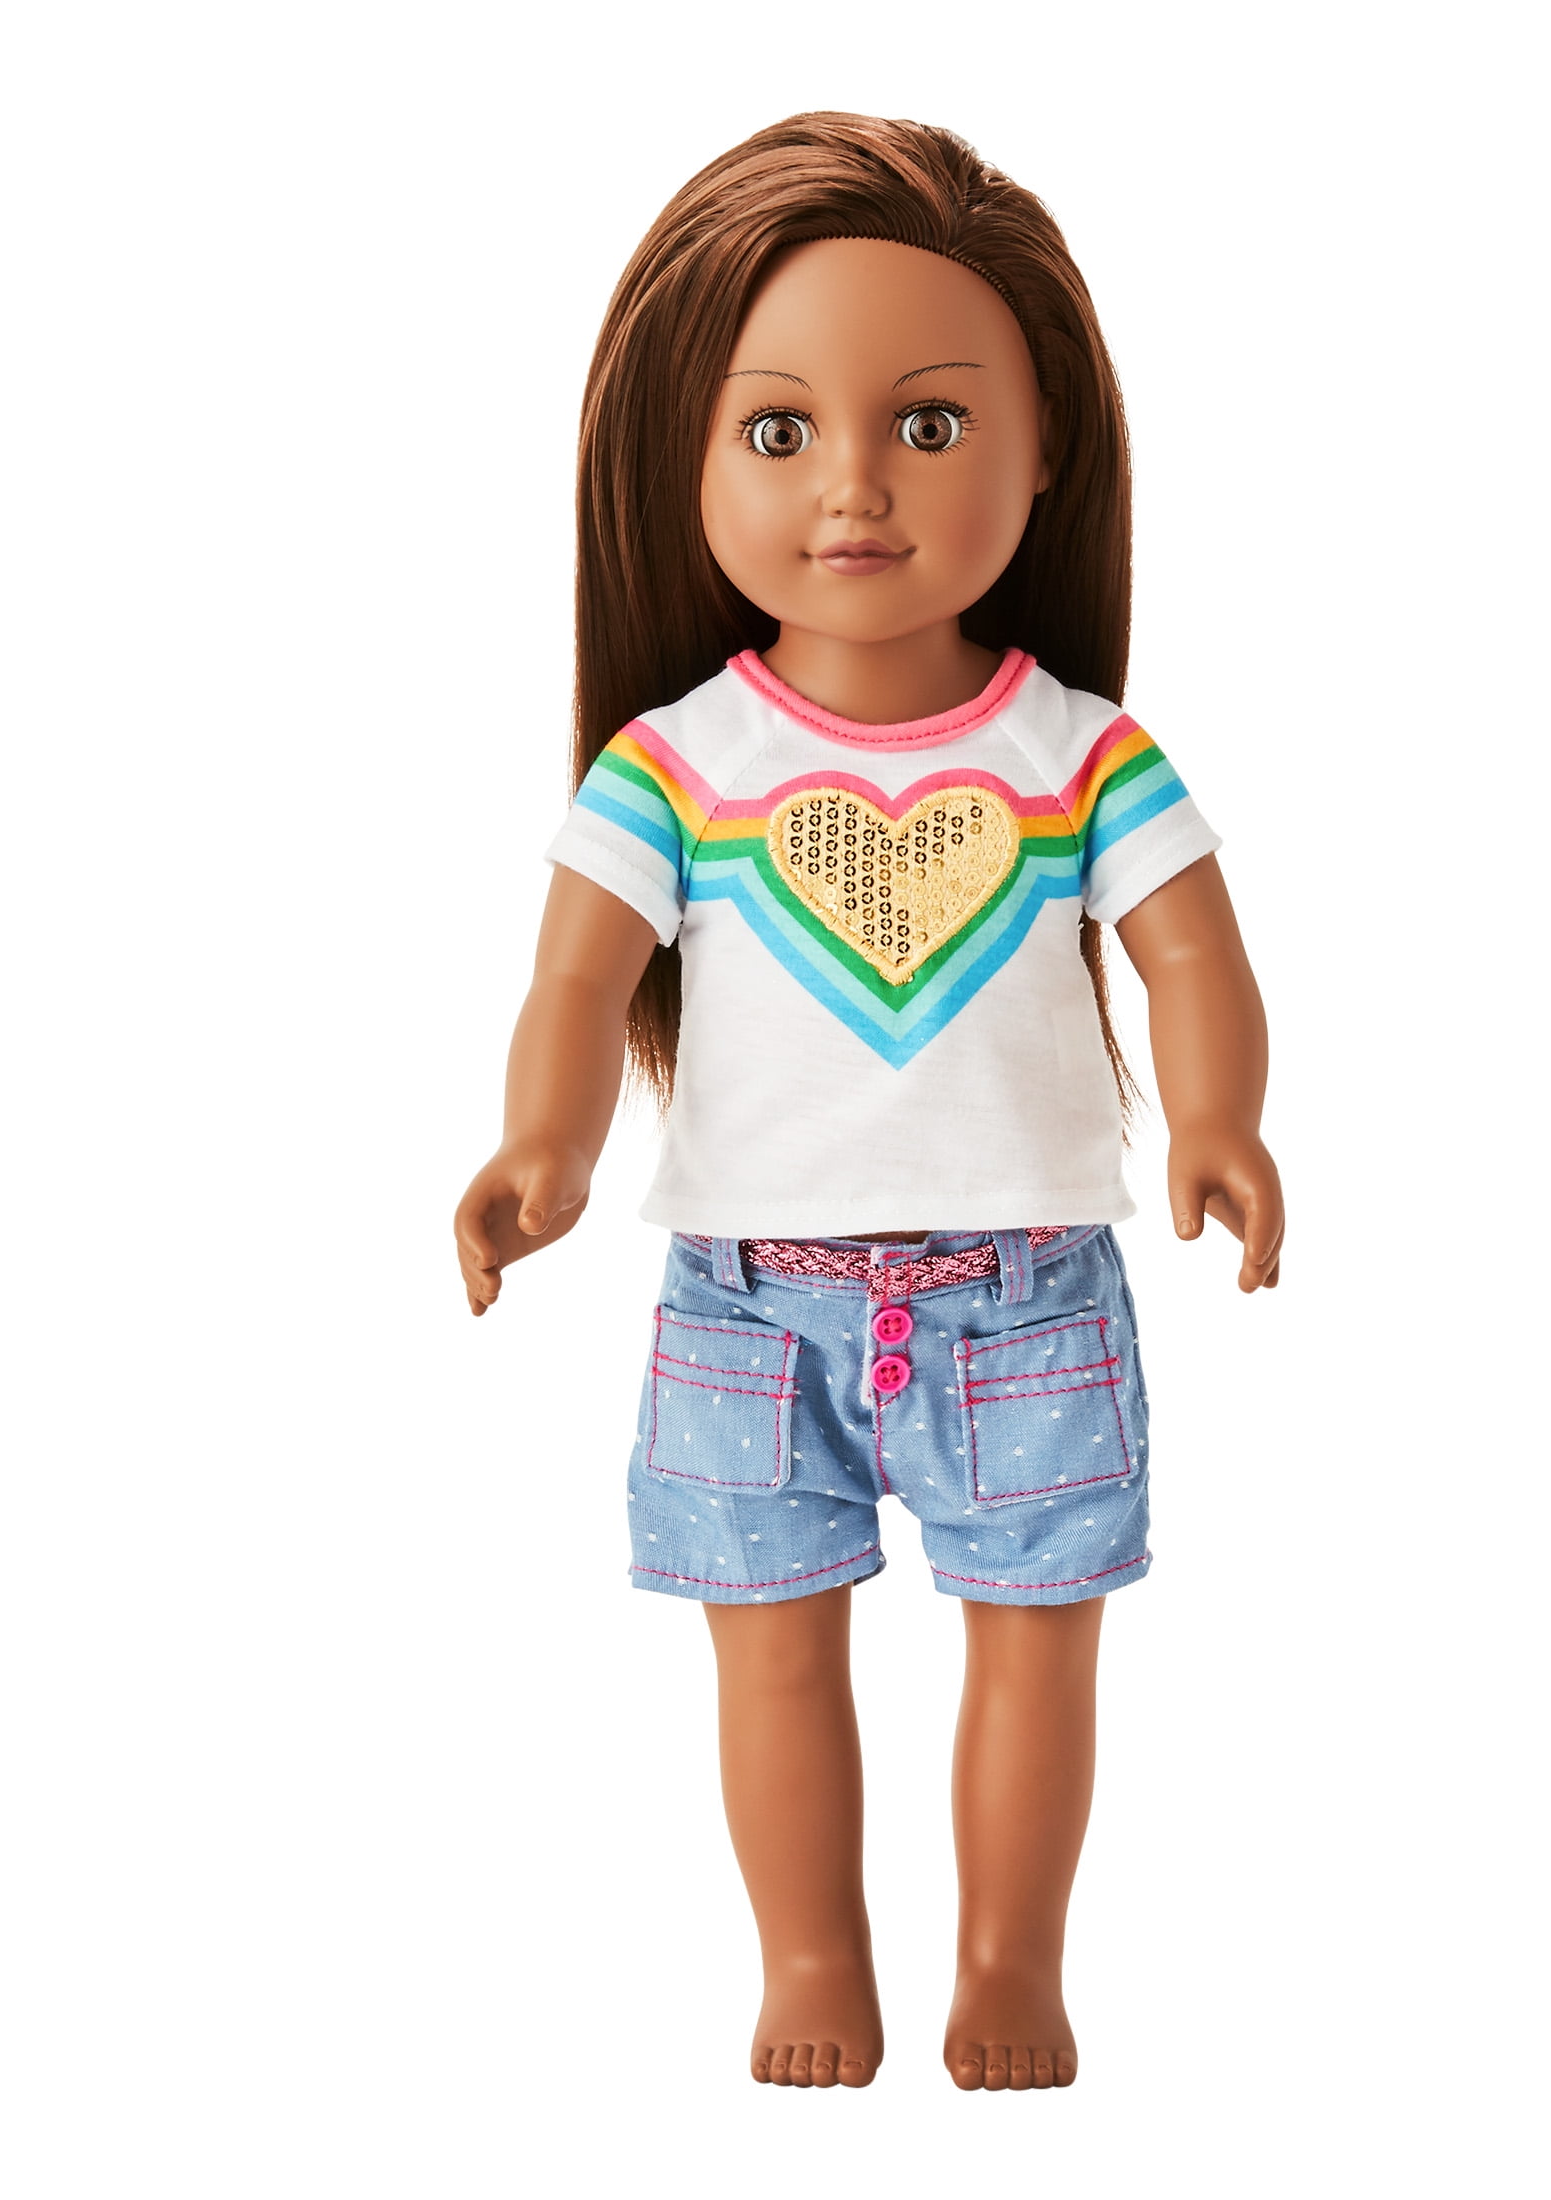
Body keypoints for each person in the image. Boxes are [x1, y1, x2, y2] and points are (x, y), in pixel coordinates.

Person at [453, 113, 1284, 2093]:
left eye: (928, 424)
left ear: (1044, 445)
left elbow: (1191, 956)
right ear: (683, 461)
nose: (852, 485)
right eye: (776, 430)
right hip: (746, 1303)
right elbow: (576, 977)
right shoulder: (675, 764)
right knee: (769, 1646)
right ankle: (811, 1952)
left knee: (1039, 1637)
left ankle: (1009, 1959)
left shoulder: (1082, 756)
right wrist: (542, 1149)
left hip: (1027, 1292)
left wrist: (1217, 1119)